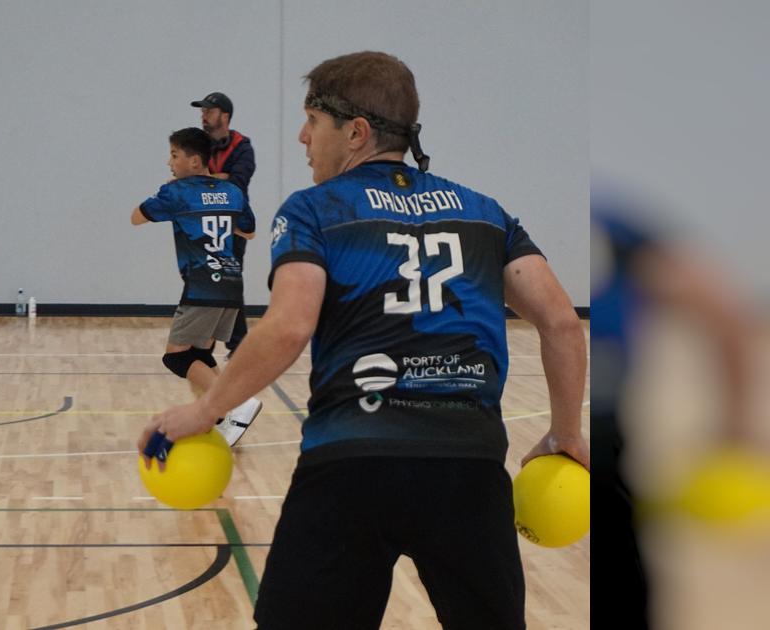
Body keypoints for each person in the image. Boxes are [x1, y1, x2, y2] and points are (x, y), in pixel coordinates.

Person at [140, 51, 589, 628]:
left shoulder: (314, 210)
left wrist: (207, 409)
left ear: (355, 133)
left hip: (350, 465)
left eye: (312, 122)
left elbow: (290, 325)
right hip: (468, 470)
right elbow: (559, 321)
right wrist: (567, 432)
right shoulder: (485, 213)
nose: (302, 138)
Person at [592, 192, 756, 629]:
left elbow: (719, 311)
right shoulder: (610, 221)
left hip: (612, 449)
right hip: (608, 445)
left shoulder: (613, 224)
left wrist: (734, 425)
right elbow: (721, 310)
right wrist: (735, 424)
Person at [131, 127, 262, 447]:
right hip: (231, 282)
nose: (169, 162)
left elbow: (137, 217)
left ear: (194, 161)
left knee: (176, 357)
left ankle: (236, 405)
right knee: (200, 355)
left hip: (203, 284)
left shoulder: (177, 192)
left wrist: (170, 193)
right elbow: (249, 232)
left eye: (174, 155)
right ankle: (219, 416)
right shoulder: (232, 191)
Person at [191, 92, 255, 356]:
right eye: (202, 111)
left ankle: (236, 343)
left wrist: (206, 178)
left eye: (209, 110)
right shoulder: (197, 143)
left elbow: (237, 183)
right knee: (208, 280)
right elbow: (188, 176)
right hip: (203, 222)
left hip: (234, 224)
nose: (203, 115)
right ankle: (220, 342)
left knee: (228, 279)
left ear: (224, 116)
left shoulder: (242, 146)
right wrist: (219, 177)